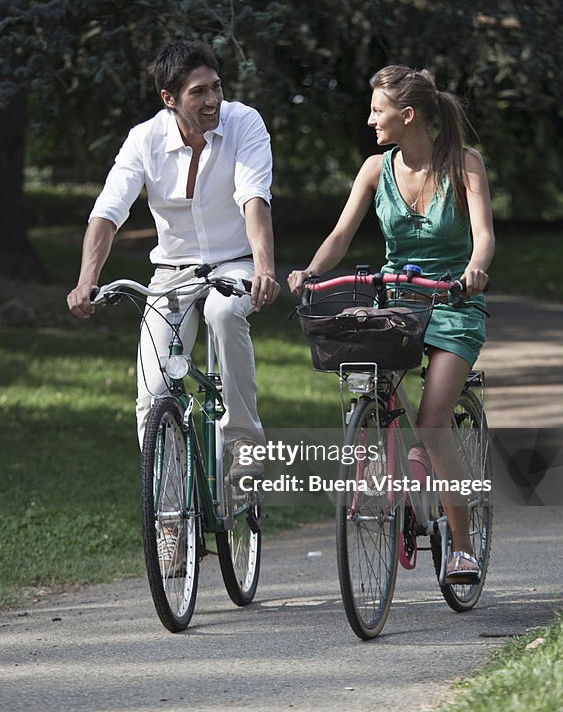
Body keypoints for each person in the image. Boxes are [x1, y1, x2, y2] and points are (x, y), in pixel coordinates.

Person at [288, 66, 494, 584]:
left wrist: (474, 271)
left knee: (432, 420)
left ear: (407, 116)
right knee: (380, 396)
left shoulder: (465, 164)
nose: (369, 119)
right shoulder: (375, 169)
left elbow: (484, 236)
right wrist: (311, 272)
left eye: (378, 110)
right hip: (397, 302)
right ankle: (407, 476)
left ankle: (462, 549)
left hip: (452, 302)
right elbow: (340, 235)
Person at [67, 39, 280, 484]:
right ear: (170, 99)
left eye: (216, 88)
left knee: (224, 312)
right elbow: (108, 210)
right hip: (171, 273)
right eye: (198, 92)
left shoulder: (245, 123)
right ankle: (167, 515)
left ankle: (243, 444)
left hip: (234, 263)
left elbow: (253, 197)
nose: (213, 100)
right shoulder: (144, 140)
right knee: (152, 396)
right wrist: (87, 279)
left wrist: (263, 269)